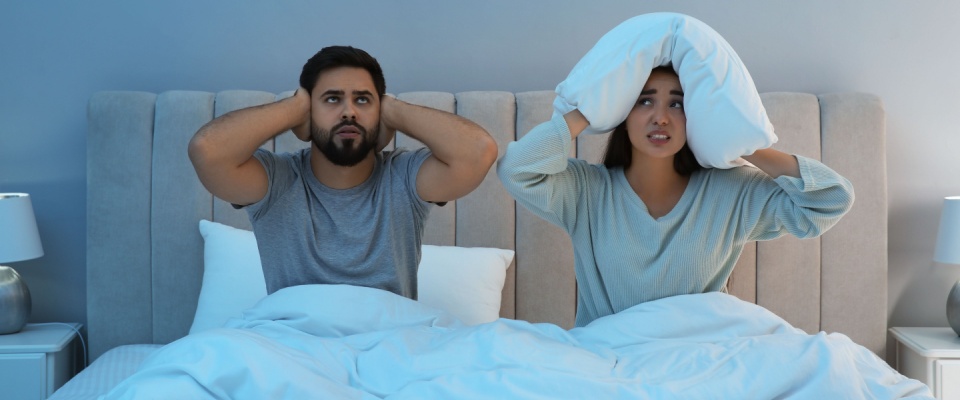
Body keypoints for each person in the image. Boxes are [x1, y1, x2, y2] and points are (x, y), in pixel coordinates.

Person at [497, 66, 854, 327]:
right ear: (622, 114)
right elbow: (516, 169)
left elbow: (832, 199)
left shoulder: (732, 190)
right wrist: (587, 110)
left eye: (678, 104)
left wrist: (744, 142)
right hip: (607, 362)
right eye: (644, 101)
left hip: (704, 359)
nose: (660, 118)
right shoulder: (586, 191)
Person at [189, 45, 498, 299]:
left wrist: (392, 110)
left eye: (363, 100)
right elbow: (207, 150)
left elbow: (478, 152)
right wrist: (293, 109)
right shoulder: (277, 181)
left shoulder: (403, 177)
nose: (349, 111)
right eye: (332, 99)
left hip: (391, 343)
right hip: (293, 344)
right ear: (310, 110)